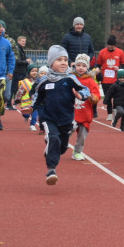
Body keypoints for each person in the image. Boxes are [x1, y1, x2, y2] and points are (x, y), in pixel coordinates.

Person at [30, 45, 90, 185]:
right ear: (51, 63)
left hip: (66, 119)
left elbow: (85, 90)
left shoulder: (70, 79)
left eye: (65, 60)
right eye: (59, 60)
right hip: (49, 118)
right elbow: (37, 96)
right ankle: (51, 170)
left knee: (62, 148)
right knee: (54, 138)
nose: (63, 62)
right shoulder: (45, 81)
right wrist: (32, 108)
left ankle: (50, 148)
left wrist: (81, 95)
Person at [70, 54, 101, 162]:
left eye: (83, 65)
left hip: (85, 112)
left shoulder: (91, 81)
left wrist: (93, 97)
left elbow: (97, 95)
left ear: (87, 67)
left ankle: (77, 152)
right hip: (71, 112)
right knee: (68, 130)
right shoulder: (70, 78)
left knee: (82, 136)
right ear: (75, 66)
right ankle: (61, 144)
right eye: (78, 65)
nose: (81, 68)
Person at [96, 34, 124, 118]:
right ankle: (109, 114)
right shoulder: (102, 52)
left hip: (116, 79)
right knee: (108, 97)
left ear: (115, 45)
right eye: (109, 45)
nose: (110, 47)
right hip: (105, 80)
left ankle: (115, 110)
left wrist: (119, 68)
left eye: (112, 45)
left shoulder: (120, 52)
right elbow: (98, 64)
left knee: (117, 97)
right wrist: (97, 69)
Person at [7, 35, 30, 109]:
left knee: (20, 88)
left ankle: (16, 102)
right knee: (14, 88)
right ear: (18, 41)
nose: (24, 42)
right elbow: (17, 61)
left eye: (25, 41)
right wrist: (26, 61)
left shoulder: (20, 49)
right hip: (17, 71)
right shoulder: (17, 49)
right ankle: (9, 104)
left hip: (21, 71)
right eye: (22, 41)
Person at [13, 65, 39, 130]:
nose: (34, 72)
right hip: (25, 103)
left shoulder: (39, 81)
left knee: (35, 115)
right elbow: (20, 92)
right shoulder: (25, 82)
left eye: (36, 71)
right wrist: (17, 100)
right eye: (32, 71)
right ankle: (26, 116)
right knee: (26, 114)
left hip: (34, 102)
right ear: (29, 72)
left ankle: (32, 125)